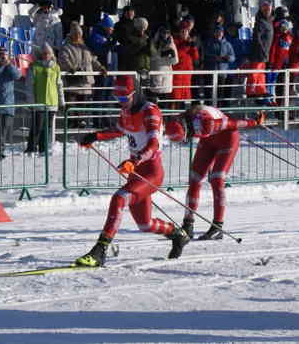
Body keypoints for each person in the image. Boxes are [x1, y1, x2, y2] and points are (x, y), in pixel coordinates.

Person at [76, 76, 190, 266]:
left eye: (124, 98)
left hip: (152, 171)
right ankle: (177, 234)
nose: (121, 103)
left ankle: (100, 250)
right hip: (136, 171)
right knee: (145, 224)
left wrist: (135, 160)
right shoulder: (126, 111)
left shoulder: (150, 111)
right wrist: (95, 136)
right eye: (118, 99)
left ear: (135, 94)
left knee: (119, 198)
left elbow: (154, 144)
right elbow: (119, 130)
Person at [167, 102, 264, 240]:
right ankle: (187, 225)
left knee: (216, 179)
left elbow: (234, 124)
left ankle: (217, 226)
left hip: (227, 138)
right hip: (208, 141)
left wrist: (253, 122)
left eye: (188, 135)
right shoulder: (180, 119)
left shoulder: (208, 122)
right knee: (194, 179)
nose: (189, 138)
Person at [27, 44, 64, 154]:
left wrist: (62, 102)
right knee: (37, 126)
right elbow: (29, 85)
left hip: (52, 102)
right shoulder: (34, 66)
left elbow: (59, 85)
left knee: (47, 127)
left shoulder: (56, 67)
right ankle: (31, 148)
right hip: (39, 102)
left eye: (48, 53)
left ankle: (43, 148)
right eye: (44, 53)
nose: (46, 55)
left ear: (51, 54)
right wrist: (31, 101)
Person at [149, 26, 179, 99]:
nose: (165, 35)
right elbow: (151, 57)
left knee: (165, 100)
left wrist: (173, 55)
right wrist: (161, 54)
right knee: (155, 98)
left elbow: (175, 61)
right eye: (163, 32)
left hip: (167, 75)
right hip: (156, 72)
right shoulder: (153, 43)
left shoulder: (171, 44)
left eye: (167, 33)